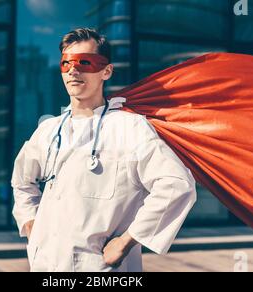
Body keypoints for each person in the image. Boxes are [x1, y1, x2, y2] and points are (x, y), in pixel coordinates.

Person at [11, 28, 197, 272]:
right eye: (66, 64)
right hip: (46, 265)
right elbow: (22, 181)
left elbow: (176, 185)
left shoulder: (130, 128)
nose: (73, 71)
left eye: (85, 62)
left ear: (106, 71)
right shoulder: (48, 130)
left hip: (100, 268)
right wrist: (32, 225)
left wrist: (127, 241)